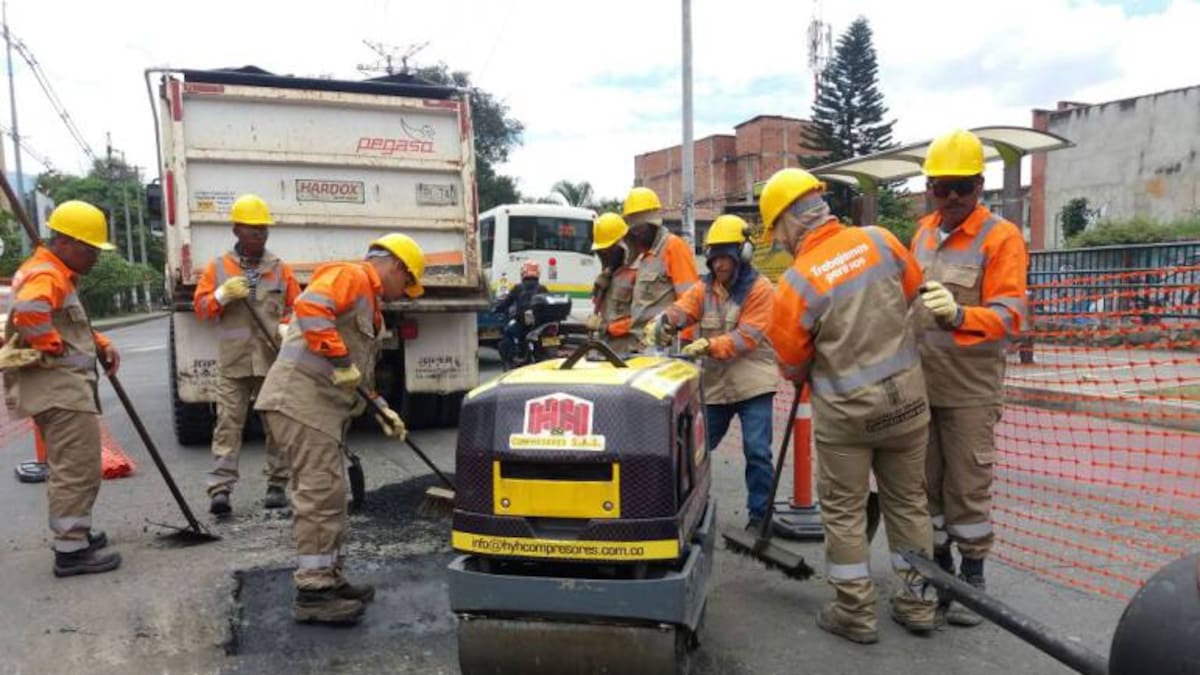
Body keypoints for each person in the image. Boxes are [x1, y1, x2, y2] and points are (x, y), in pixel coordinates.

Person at [761, 168, 937, 644]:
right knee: (909, 504)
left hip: (847, 418)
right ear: (819, 205)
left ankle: (854, 613)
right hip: (907, 405)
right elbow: (912, 295)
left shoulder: (795, 285)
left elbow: (793, 368)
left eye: (775, 232)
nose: (777, 242)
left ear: (788, 225)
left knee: (843, 512)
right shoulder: (881, 241)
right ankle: (919, 604)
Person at [254, 233, 424, 625]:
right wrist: (341, 357)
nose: (404, 294)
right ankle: (313, 594)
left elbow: (356, 376)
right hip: (299, 402)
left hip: (318, 408)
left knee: (330, 496)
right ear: (396, 266)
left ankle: (328, 578)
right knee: (319, 496)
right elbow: (312, 307)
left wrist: (382, 409)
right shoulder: (352, 276)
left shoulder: (370, 303)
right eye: (407, 282)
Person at [912, 129, 1029, 627]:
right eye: (944, 186)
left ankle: (972, 578)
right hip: (921, 384)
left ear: (981, 185)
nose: (954, 196)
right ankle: (940, 575)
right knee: (925, 487)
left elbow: (1011, 316)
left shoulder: (1000, 237)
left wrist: (961, 314)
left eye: (964, 186)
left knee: (967, 488)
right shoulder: (920, 233)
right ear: (930, 189)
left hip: (969, 391)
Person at [5, 201, 123, 576]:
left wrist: (99, 342)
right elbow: (29, 309)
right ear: (68, 242)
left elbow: (69, 323)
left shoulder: (56, 272)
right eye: (91, 249)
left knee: (74, 465)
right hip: (59, 389)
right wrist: (49, 344)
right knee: (77, 467)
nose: (95, 258)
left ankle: (77, 535)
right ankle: (71, 549)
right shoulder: (47, 274)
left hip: (62, 389)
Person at [644, 215, 776, 529]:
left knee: (757, 451)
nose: (719, 266)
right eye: (714, 259)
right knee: (694, 448)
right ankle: (681, 509)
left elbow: (747, 337)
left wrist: (708, 345)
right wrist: (663, 322)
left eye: (725, 258)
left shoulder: (760, 290)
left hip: (753, 382)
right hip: (717, 384)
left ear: (742, 254)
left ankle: (760, 517)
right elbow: (683, 309)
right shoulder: (705, 288)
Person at [193, 194, 300, 516]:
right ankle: (221, 489)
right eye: (254, 230)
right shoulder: (219, 267)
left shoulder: (280, 269)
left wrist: (286, 326)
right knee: (228, 425)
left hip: (271, 360)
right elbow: (201, 308)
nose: (261, 236)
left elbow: (296, 308)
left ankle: (277, 485)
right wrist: (221, 295)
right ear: (237, 230)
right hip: (235, 363)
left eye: (264, 230)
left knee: (276, 426)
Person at [620, 187, 699, 342]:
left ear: (652, 224)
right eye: (632, 228)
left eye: (639, 227)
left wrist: (685, 344)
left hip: (665, 348)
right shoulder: (644, 257)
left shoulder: (673, 247)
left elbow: (691, 300)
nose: (635, 233)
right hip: (642, 345)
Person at [585, 212, 638, 353]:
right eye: (601, 251)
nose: (604, 255)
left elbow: (643, 320)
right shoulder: (608, 275)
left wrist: (608, 328)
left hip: (629, 351)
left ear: (621, 245)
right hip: (607, 348)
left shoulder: (638, 273)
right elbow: (602, 310)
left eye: (608, 250)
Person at [495, 260, 549, 364]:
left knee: (508, 332)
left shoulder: (518, 288)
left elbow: (507, 302)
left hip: (523, 322)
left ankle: (517, 356)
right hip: (540, 324)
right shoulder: (542, 288)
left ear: (523, 273)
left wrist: (497, 309)